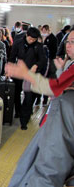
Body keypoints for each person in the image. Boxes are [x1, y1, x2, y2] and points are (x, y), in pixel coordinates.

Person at [5, 29, 74, 187]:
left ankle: (23, 121)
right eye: (68, 41)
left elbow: (55, 87)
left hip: (55, 136)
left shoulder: (65, 103)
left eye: (73, 42)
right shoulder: (69, 66)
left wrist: (26, 74)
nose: (68, 46)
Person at [9, 27, 47, 130]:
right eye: (30, 39)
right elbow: (12, 57)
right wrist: (9, 69)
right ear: (27, 35)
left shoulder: (39, 47)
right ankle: (18, 111)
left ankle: (24, 120)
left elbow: (43, 60)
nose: (32, 41)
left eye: (34, 40)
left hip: (30, 75)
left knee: (29, 97)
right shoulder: (18, 43)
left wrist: (36, 65)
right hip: (18, 73)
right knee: (16, 94)